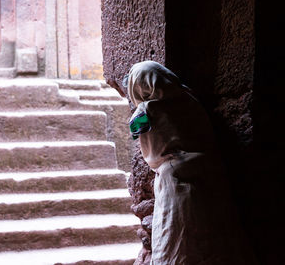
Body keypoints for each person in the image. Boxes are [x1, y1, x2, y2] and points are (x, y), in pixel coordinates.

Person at [110, 61, 256, 265]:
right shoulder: (190, 98)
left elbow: (149, 153)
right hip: (209, 174)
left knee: (177, 239)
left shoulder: (143, 113)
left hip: (175, 181)